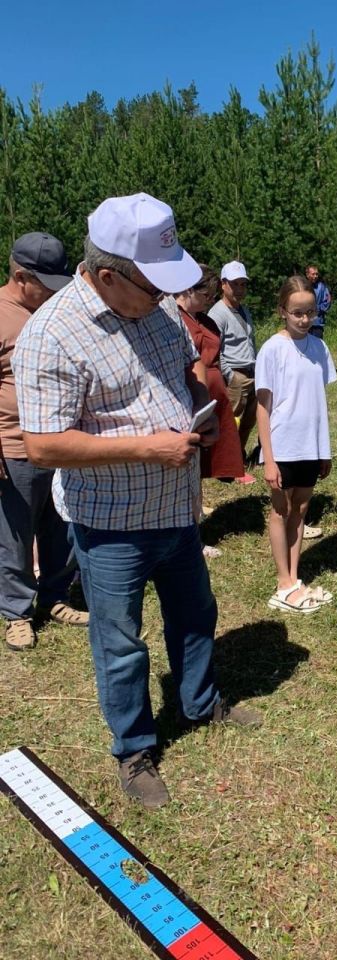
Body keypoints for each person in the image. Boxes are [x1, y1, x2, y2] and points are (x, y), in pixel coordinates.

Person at [13, 193, 263, 810]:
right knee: (121, 642)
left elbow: (182, 372)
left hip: (176, 513)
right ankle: (133, 748)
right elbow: (42, 445)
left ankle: (200, 703)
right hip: (112, 525)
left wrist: (199, 414)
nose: (165, 299)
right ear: (106, 276)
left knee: (196, 613)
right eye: (154, 288)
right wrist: (151, 448)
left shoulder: (157, 310)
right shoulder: (52, 335)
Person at [0, 232, 88, 651]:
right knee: (14, 535)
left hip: (60, 441)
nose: (53, 293)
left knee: (60, 527)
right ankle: (16, 612)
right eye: (44, 284)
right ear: (20, 276)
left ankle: (55, 596)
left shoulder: (49, 313)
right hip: (14, 448)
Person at [256, 275, 337, 613]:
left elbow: (318, 402)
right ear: (282, 312)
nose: (305, 319)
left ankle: (294, 576)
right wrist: (269, 458)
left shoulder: (319, 348)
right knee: (280, 510)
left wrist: (324, 449)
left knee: (301, 509)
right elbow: (262, 407)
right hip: (283, 444)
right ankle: (282, 583)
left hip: (310, 445)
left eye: (310, 312)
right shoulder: (273, 349)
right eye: (297, 313)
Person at [175, 265, 254, 500]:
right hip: (190, 393)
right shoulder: (174, 317)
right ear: (189, 290)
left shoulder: (202, 319)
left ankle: (197, 501)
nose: (209, 301)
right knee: (190, 451)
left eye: (211, 296)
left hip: (213, 394)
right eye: (205, 296)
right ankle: (191, 505)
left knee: (207, 453)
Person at [207, 260, 258, 461]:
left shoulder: (244, 310)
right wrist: (230, 375)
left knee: (249, 420)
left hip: (251, 373)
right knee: (230, 421)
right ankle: (224, 460)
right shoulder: (217, 313)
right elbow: (214, 349)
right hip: (235, 376)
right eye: (235, 284)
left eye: (243, 284)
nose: (240, 289)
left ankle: (238, 455)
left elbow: (250, 340)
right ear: (223, 284)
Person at [305, 264, 331, 339]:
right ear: (307, 275)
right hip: (304, 323)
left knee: (317, 348)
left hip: (317, 324)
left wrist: (315, 310)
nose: (315, 276)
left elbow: (327, 303)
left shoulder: (322, 287)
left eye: (317, 274)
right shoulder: (302, 287)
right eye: (313, 274)